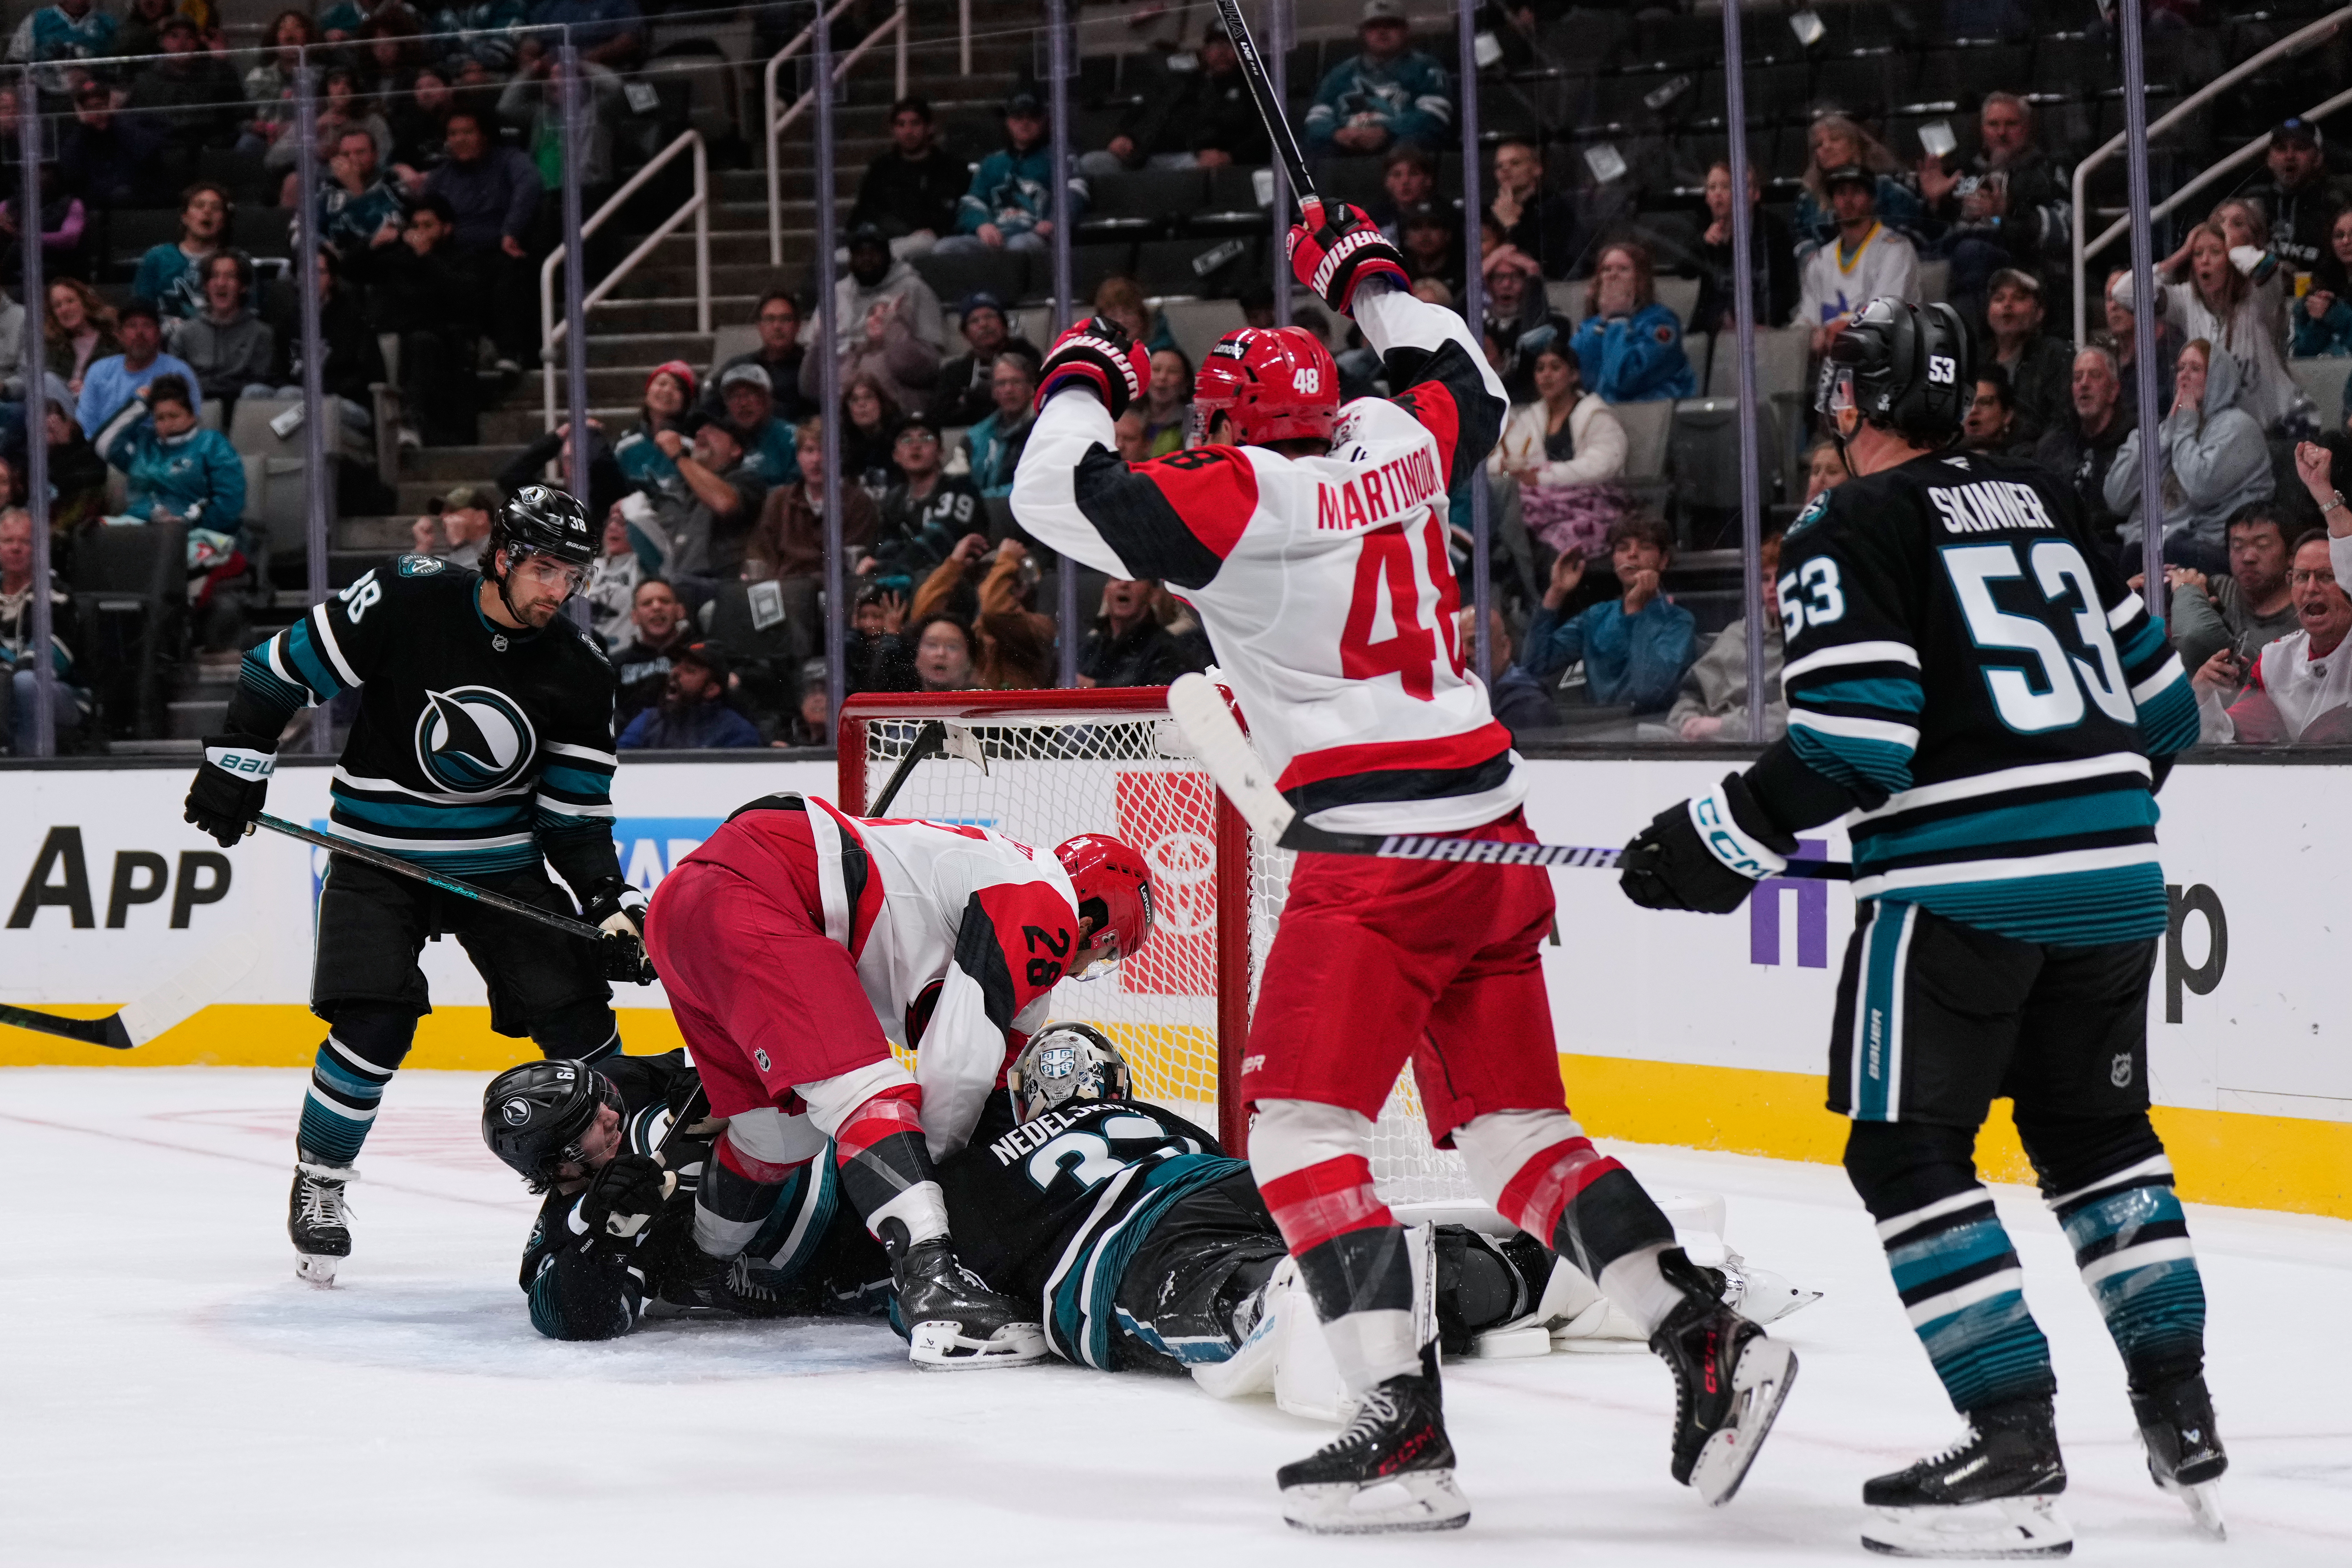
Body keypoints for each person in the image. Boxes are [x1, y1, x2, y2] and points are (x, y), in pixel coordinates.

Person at [1012, 200, 1793, 1529]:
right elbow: (1464, 377)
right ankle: (1699, 1331)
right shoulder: (1394, 440)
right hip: (1488, 828)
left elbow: (1051, 493)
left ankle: (1400, 1426)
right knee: (1515, 1133)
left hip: (1376, 857)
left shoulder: (1236, 494)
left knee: (1300, 1136)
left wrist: (1083, 370)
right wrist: (1365, 273)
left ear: (1227, 424)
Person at [1617, 295, 2215, 1558]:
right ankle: (2180, 1402)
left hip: (1959, 898)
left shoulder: (1848, 523)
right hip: (2114, 880)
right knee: (2098, 1135)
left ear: (1847, 402)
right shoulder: (2057, 496)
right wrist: (2064, 818)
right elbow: (2167, 720)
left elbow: (1859, 740)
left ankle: (2011, 1439)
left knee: (1905, 1151)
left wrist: (1720, 838)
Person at [179, 487, 653, 1286]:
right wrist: (238, 764)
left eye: (571, 576)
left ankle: (626, 1177)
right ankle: (322, 1180)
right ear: (501, 557)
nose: (557, 592)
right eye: (543, 570)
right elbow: (275, 671)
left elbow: (573, 818)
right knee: (373, 1021)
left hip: (498, 866)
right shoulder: (407, 596)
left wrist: (608, 900)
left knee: (578, 1020)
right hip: (378, 857)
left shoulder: (581, 671)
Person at [637, 783, 1155, 1366]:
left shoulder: (1006, 892)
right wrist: (935, 1203)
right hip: (759, 889)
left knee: (780, 1134)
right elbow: (957, 1062)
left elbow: (986, 1079)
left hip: (690, 906)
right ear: (1094, 919)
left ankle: (694, 1272)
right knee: (868, 1093)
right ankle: (933, 1289)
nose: (1084, 966)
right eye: (1105, 954)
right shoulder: (1047, 900)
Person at [481, 1053, 888, 1338]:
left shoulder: (622, 1083)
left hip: (847, 1146)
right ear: (561, 1166)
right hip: (843, 1260)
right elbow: (570, 1319)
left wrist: (714, 1073)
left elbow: (734, 1046)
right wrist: (608, 1238)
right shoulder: (571, 1224)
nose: (610, 1113)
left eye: (600, 1098)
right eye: (589, 1123)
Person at [2194, 478, 2352, 745]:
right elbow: (2231, 737)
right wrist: (2203, 695)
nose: (2312, 588)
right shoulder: (2275, 660)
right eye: (2302, 577)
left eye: (2327, 576)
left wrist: (2325, 493)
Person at [2105, 339, 2273, 575]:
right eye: (2180, 368)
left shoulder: (2240, 427)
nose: (2184, 375)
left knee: (2140, 557)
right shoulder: (2163, 430)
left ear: (2218, 377)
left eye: (2195, 369)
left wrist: (2184, 426)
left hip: (2207, 548)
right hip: (2153, 546)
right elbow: (2116, 497)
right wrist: (2167, 435)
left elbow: (2201, 486)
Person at [1916, 92, 2070, 321]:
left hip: (2019, 261)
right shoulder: (1964, 171)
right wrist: (1936, 203)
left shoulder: (2046, 171)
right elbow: (1937, 231)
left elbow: (2065, 230)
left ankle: (1963, 340)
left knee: (1971, 251)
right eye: (1993, 125)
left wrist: (2007, 211)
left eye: (2011, 124)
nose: (2001, 133)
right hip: (1956, 254)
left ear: (2027, 128)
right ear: (1982, 129)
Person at [1521, 515, 1695, 713]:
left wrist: (1635, 612)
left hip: (1652, 734)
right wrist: (1556, 593)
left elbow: (1646, 695)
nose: (1633, 554)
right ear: (1614, 561)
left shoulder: (1679, 622)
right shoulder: (1596, 617)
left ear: (1663, 561)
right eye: (1623, 548)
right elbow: (1533, 667)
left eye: (1645, 547)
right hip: (1598, 731)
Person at [1489, 341, 1630, 571]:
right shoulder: (1531, 417)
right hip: (1537, 502)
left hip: (1590, 502)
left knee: (1543, 536)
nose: (1546, 375)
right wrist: (1507, 467)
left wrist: (1541, 477)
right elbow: (1499, 463)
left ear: (1574, 375)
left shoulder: (1596, 414)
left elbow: (1603, 465)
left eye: (1555, 368)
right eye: (1540, 369)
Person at [2153, 221, 2296, 434]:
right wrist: (2181, 254)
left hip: (2279, 428)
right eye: (2198, 253)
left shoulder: (2258, 297)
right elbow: (2127, 292)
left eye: (2216, 252)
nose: (2205, 261)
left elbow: (2266, 266)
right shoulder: (2186, 300)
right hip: (2224, 436)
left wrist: (2233, 249)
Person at [424, 108, 539, 371]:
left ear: (485, 135)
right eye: (453, 134)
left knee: (507, 270)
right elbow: (425, 211)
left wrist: (512, 230)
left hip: (497, 248)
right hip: (454, 254)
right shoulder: (440, 176)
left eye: (468, 132)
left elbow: (530, 186)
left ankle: (510, 352)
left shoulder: (510, 160)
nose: (460, 140)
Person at [358, 194, 477, 447]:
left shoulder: (460, 258)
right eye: (415, 226)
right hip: (394, 333)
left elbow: (463, 297)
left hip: (441, 339)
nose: (420, 232)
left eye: (428, 226)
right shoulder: (398, 257)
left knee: (420, 342)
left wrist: (427, 258)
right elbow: (352, 271)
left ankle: (412, 423)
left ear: (446, 228)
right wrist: (373, 244)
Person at [93, 374, 245, 570]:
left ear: (191, 415)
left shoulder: (211, 444)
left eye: (174, 416)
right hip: (141, 528)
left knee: (169, 558)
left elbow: (230, 501)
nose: (167, 423)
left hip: (191, 531)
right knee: (95, 537)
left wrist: (188, 525)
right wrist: (140, 405)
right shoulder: (145, 446)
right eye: (159, 418)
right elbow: (104, 444)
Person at [1082, 27, 1270, 176]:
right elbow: (1141, 112)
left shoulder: (1253, 89)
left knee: (1196, 173)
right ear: (1205, 52)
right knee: (1092, 163)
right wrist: (1124, 135)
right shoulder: (1181, 83)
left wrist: (1231, 157)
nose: (1222, 52)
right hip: (1145, 158)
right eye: (1216, 45)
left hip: (1194, 162)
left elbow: (1264, 136)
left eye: (1230, 45)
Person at [805, 224, 943, 416]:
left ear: (888, 256)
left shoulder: (914, 289)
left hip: (898, 410)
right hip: (843, 412)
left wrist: (893, 337)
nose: (867, 259)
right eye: (860, 253)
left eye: (874, 252)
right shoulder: (835, 293)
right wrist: (819, 345)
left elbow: (929, 371)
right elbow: (810, 386)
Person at [1662, 530, 1785, 743]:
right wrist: (1688, 721)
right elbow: (1691, 696)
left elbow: (1800, 716)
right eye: (1765, 579)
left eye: (1782, 577)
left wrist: (1722, 726)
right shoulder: (1737, 635)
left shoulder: (1812, 641)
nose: (1773, 587)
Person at [939, 93, 1085, 257]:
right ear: (1008, 122)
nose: (1025, 123)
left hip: (1035, 236)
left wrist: (1055, 221)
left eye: (1033, 117)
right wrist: (981, 225)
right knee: (944, 248)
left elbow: (1075, 193)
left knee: (1018, 246)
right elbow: (973, 201)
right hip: (995, 236)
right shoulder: (992, 162)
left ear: (1044, 121)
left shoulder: (1061, 157)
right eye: (1018, 117)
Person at [1795, 165, 1920, 356]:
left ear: (1873, 198)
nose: (1848, 200)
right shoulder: (1821, 260)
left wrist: (1837, 330)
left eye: (1857, 192)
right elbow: (1807, 320)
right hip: (1832, 366)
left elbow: (1885, 317)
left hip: (1889, 364)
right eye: (1841, 193)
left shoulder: (1896, 249)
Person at [1304, 0, 1453, 159]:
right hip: (1343, 150)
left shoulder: (1427, 67)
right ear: (1362, 33)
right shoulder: (1339, 74)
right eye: (1373, 26)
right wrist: (1337, 134)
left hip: (1401, 152)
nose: (1382, 31)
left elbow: (1435, 117)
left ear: (1406, 31)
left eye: (1391, 25)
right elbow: (1316, 119)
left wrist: (1388, 131)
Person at [2168, 502, 2300, 680]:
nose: (2248, 557)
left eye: (2262, 545)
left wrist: (2187, 594)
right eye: (2238, 547)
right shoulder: (2216, 589)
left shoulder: (2305, 616)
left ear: (2291, 556)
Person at [745, 419, 880, 586]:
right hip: (785, 591)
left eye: (826, 451)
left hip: (834, 594)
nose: (816, 459)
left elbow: (851, 563)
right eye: (809, 450)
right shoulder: (779, 500)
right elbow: (762, 554)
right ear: (798, 456)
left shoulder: (858, 503)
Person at [650, 418, 767, 607]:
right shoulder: (672, 491)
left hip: (719, 590)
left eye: (713, 429)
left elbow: (724, 503)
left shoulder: (747, 481)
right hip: (667, 589)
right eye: (698, 430)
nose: (700, 434)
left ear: (736, 449)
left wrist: (680, 457)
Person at [911, 535, 1052, 690]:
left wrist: (1008, 557)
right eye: (983, 579)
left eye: (1000, 576)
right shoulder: (977, 630)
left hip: (1013, 714)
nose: (985, 586)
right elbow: (923, 622)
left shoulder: (1040, 627)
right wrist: (954, 565)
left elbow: (995, 609)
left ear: (1023, 588)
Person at [2032, 345, 2135, 550]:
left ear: (2114, 390)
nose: (2084, 384)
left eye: (2094, 376)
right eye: (2078, 378)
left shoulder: (2134, 443)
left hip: (2114, 551)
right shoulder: (2053, 447)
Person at [1568, 242, 1693, 404]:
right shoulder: (1589, 327)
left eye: (1623, 269)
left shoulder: (1662, 323)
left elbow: (1624, 380)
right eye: (1607, 270)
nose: (1613, 275)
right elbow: (1578, 378)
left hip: (1652, 415)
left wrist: (1617, 320)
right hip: (1604, 418)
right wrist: (1604, 324)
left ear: (1640, 280)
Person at [0, 506, 82, 754]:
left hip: (64, 695)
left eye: (25, 541)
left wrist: (5, 673)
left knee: (24, 683)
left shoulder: (57, 594)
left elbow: (53, 657)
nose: (16, 548)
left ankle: (30, 767)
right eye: (8, 541)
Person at [870, 415, 980, 590]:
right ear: (896, 456)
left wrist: (885, 568)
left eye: (926, 438)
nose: (916, 445)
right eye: (906, 439)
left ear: (941, 451)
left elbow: (940, 542)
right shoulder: (894, 499)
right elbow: (886, 547)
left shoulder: (960, 487)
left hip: (953, 580)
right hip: (906, 575)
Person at [1795, 115, 1927, 259]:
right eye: (1819, 145)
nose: (1826, 147)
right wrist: (1810, 253)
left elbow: (1914, 235)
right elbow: (1801, 240)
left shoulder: (1888, 188)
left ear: (1855, 145)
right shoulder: (1808, 199)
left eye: (1835, 139)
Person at [850, 97, 965, 260]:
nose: (908, 131)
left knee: (922, 243)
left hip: (932, 244)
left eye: (915, 124)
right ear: (893, 130)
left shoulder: (951, 168)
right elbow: (864, 213)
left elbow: (960, 212)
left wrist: (937, 231)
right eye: (901, 125)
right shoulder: (881, 168)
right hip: (887, 240)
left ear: (930, 127)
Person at [1693, 160, 1798, 337]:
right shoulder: (1703, 230)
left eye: (1727, 187)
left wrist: (1757, 321)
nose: (1719, 194)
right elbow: (1685, 271)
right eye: (1712, 188)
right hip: (1717, 333)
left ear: (1755, 194)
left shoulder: (1771, 229)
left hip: (1765, 329)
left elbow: (1787, 289)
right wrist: (1704, 245)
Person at [166, 252, 274, 414]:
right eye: (215, 276)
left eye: (230, 277)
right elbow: (174, 384)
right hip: (198, 411)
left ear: (243, 286)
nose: (221, 283)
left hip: (244, 412)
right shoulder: (184, 334)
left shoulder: (262, 334)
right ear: (206, 286)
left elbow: (262, 383)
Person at [76, 301, 200, 440]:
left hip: (162, 455)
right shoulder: (98, 371)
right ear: (119, 335)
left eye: (147, 325)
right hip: (103, 454)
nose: (140, 333)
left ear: (159, 333)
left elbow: (191, 424)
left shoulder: (178, 371)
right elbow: (85, 426)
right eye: (132, 326)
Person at [616, 639, 761, 750]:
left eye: (690, 670)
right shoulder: (648, 720)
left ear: (711, 690)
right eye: (677, 665)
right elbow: (620, 766)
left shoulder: (737, 733)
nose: (675, 673)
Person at [1983, 269, 2071, 447]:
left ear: (2040, 312)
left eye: (2018, 298)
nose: (2007, 305)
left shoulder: (2057, 355)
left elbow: (2061, 426)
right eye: (1999, 299)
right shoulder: (1976, 362)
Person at [2244, 117, 2342, 275]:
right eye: (2281, 148)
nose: (2290, 156)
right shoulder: (2253, 200)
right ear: (2269, 159)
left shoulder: (2336, 202)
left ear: (2318, 159)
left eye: (2300, 148)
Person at [709, 289, 817, 424]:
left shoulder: (814, 367)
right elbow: (709, 410)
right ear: (759, 326)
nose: (777, 327)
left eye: (786, 319)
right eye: (770, 319)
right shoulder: (739, 368)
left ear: (797, 325)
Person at [927, 292, 1032, 427]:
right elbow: (937, 417)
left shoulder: (1027, 356)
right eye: (974, 321)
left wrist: (970, 401)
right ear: (965, 333)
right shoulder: (954, 371)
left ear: (1004, 325)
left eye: (990, 316)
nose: (983, 324)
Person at [131, 183, 233, 322]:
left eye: (216, 208)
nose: (207, 211)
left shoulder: (236, 262)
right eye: (199, 206)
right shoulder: (157, 258)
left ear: (223, 221)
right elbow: (140, 314)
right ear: (185, 217)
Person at [1486, 137, 1579, 281]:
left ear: (1537, 169)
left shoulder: (1555, 209)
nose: (1505, 170)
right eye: (1499, 166)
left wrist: (1512, 225)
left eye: (1515, 163)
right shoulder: (1487, 212)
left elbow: (1551, 264)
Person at [1076, 578, 1195, 688]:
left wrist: (1095, 686)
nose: (1124, 584)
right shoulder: (1088, 648)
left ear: (1153, 594)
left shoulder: (1167, 650)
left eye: (1133, 578)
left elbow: (1159, 699)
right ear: (1106, 592)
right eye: (1116, 578)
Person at [612, 362, 697, 512]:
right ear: (648, 391)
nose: (668, 391)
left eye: (678, 388)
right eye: (662, 383)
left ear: (686, 403)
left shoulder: (693, 448)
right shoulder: (624, 446)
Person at [961, 351, 1036, 499]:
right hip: (984, 515)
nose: (1009, 390)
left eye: (1016, 382)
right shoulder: (975, 437)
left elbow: (1037, 486)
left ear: (1032, 389)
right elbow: (957, 483)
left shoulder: (1047, 430)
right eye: (1001, 383)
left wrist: (982, 500)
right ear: (994, 392)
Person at [7, 0, 117, 99]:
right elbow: (15, 61)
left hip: (95, 99)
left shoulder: (106, 23)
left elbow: (118, 68)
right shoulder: (38, 20)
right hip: (46, 99)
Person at [717, 363, 798, 489]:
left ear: (768, 398)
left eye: (750, 394)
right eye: (734, 396)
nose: (743, 403)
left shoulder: (791, 439)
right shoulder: (720, 441)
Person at [2291, 208, 2352, 358]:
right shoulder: (2322, 283)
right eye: (2339, 236)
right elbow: (2301, 354)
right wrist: (2319, 319)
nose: (2346, 241)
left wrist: (2335, 313)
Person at [42, 278, 116, 402]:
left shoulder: (113, 338)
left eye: (71, 301)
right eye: (57, 306)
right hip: (68, 409)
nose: (65, 309)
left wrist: (89, 389)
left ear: (85, 302)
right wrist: (54, 413)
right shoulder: (55, 345)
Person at [840, 374, 902, 494]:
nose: (862, 404)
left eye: (868, 397)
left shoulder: (901, 437)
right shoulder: (843, 445)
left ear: (881, 402)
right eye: (854, 400)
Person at [412, 483, 496, 572]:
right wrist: (422, 548)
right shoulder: (453, 554)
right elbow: (411, 578)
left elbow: (477, 581)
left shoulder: (500, 550)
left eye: (453, 510)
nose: (443, 517)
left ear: (481, 518)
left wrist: (460, 546)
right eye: (442, 512)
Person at [1960, 369, 2030, 458]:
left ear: (2007, 415)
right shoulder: (1943, 453)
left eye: (1985, 402)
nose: (1973, 410)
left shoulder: (2025, 459)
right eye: (1967, 401)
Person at [910, 611, 977, 691]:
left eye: (952, 647)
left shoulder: (986, 701)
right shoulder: (901, 699)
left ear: (969, 661)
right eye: (932, 645)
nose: (941, 653)